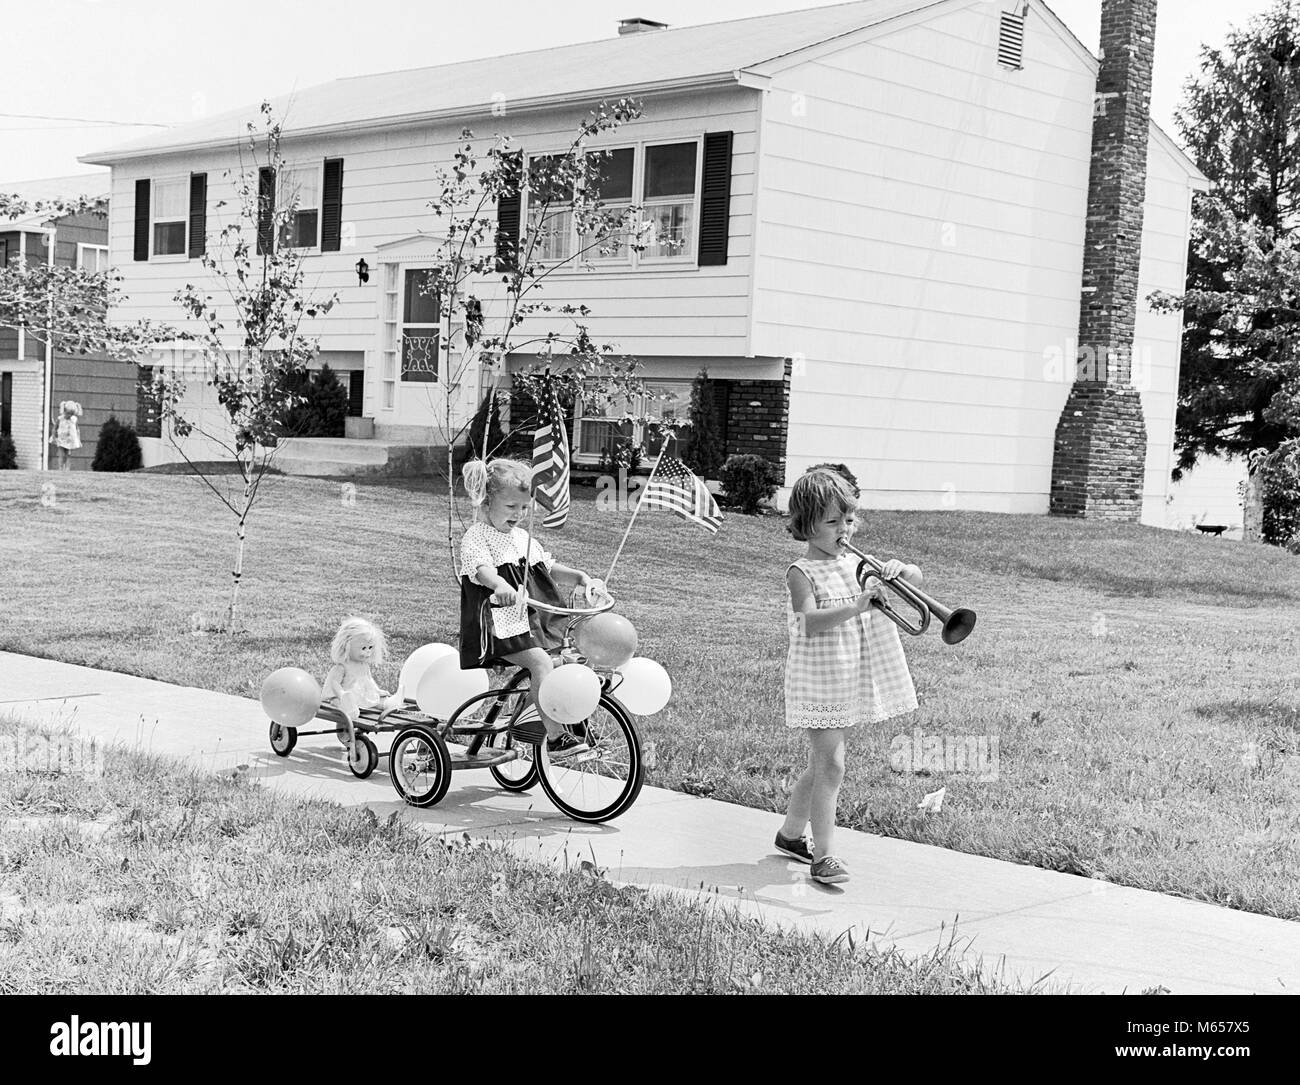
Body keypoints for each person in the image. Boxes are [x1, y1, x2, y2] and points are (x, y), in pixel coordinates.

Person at [776, 467, 921, 884]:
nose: (845, 529)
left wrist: (904, 571)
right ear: (806, 524)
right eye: (832, 521)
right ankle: (825, 857)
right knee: (833, 767)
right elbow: (807, 622)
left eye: (849, 520)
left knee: (820, 766)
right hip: (819, 679)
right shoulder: (801, 571)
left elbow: (916, 580)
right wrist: (857, 606)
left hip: (848, 675)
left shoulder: (855, 563)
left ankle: (790, 836)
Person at [459, 457, 604, 761]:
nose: (519, 515)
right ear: (487, 501)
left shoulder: (522, 538)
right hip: (499, 624)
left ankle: (542, 714)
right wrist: (499, 585)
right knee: (540, 664)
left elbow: (546, 566)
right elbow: (481, 569)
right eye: (511, 507)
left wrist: (578, 576)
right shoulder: (477, 536)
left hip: (533, 619)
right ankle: (554, 737)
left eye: (524, 508)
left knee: (568, 661)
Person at [323, 616, 401, 723]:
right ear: (347, 646)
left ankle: (389, 703)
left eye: (370, 648)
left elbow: (369, 680)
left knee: (375, 701)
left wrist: (377, 691)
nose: (367, 652)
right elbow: (334, 683)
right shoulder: (342, 667)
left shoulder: (364, 665)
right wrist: (341, 694)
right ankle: (350, 710)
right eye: (363, 648)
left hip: (360, 695)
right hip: (344, 695)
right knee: (339, 702)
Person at [52, 400, 82, 471]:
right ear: (64, 411)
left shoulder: (74, 419)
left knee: (68, 454)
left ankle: (67, 468)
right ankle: (60, 467)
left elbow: (77, 429)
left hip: (70, 439)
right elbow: (55, 428)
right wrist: (53, 436)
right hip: (61, 439)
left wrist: (78, 439)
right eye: (68, 413)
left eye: (72, 414)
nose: (69, 416)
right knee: (61, 454)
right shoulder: (60, 419)